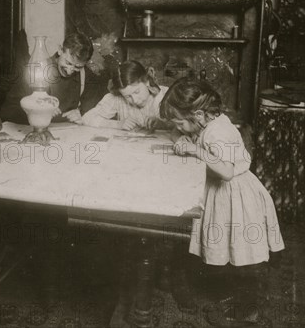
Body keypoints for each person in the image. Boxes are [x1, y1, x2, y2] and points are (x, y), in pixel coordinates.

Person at [159, 77, 285, 325]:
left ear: (197, 114)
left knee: (243, 253)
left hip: (236, 195)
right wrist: (182, 137)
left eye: (180, 122)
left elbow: (226, 171)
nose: (179, 128)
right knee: (230, 247)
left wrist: (195, 150)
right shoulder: (205, 123)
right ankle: (240, 298)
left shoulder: (220, 131)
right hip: (222, 195)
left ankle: (248, 309)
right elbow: (179, 133)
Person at [0, 33, 107, 125]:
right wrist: (36, 111)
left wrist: (82, 112)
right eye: (68, 63)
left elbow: (102, 100)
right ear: (60, 50)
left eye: (77, 67)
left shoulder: (84, 74)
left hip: (68, 135)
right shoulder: (38, 70)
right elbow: (7, 111)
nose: (70, 71)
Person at [82, 59, 169, 130]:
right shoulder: (117, 98)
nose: (134, 100)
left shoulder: (167, 95)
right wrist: (118, 124)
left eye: (136, 92)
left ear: (146, 81)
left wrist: (164, 124)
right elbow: (87, 118)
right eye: (127, 96)